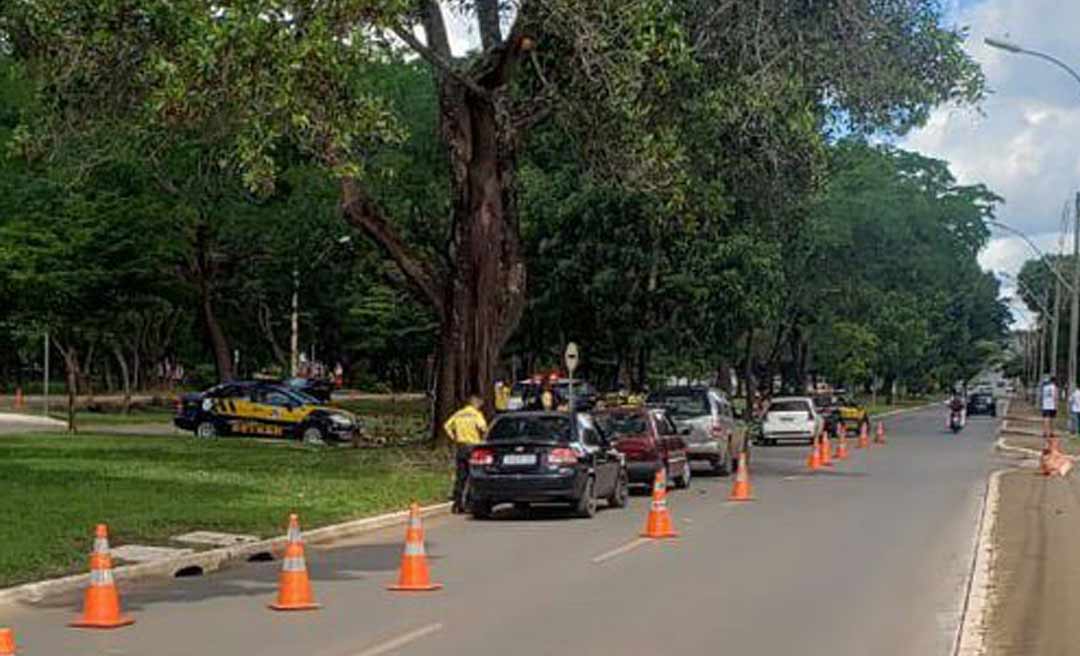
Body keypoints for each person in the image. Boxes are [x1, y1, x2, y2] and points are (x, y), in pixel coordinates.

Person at [444, 395, 488, 514]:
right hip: (473, 446)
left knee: (461, 476)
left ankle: (457, 504)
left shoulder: (459, 414)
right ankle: (469, 503)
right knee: (473, 475)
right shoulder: (476, 414)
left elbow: (447, 426)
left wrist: (454, 437)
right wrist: (483, 439)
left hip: (461, 446)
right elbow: (483, 428)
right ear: (476, 403)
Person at [1041, 376, 1058, 441]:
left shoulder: (1045, 387)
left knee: (1046, 419)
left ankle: (1045, 432)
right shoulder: (1054, 387)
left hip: (1045, 405)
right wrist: (1056, 406)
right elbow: (1055, 397)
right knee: (1052, 420)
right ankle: (1051, 432)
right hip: (1052, 405)